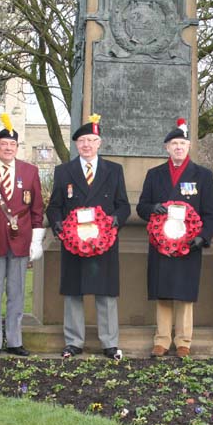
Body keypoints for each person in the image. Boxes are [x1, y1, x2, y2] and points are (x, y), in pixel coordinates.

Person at [45, 115, 131, 358]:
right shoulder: (64, 171)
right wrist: (59, 227)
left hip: (104, 243)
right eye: (82, 140)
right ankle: (73, 342)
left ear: (99, 143)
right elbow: (54, 207)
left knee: (106, 293)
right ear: (76, 144)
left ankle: (110, 343)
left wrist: (114, 221)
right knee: (74, 293)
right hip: (74, 245)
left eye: (91, 140)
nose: (86, 145)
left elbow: (123, 205)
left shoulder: (114, 170)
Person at [136, 118, 213, 358]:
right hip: (161, 245)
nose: (178, 147)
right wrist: (154, 208)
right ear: (166, 148)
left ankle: (183, 341)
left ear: (189, 146)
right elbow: (141, 207)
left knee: (184, 293)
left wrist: (203, 237)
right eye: (174, 144)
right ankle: (161, 340)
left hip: (188, 246)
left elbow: (211, 212)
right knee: (163, 292)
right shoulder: (154, 175)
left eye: (182, 143)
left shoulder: (202, 175)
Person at [0, 115, 45, 357]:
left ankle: (15, 340)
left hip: (21, 241)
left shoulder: (30, 171)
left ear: (17, 147)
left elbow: (37, 207)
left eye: (12, 145)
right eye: (3, 145)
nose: (8, 148)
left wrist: (37, 239)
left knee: (17, 293)